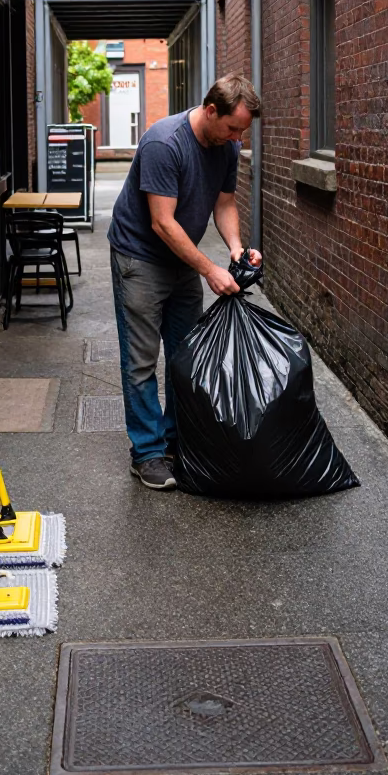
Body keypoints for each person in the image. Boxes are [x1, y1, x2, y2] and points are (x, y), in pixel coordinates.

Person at [107, 74, 262, 490]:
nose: (237, 138)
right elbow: (162, 223)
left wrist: (234, 249)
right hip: (139, 257)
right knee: (141, 360)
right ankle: (147, 453)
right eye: (232, 128)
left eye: (242, 131)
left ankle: (176, 441)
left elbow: (224, 202)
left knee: (185, 355)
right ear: (212, 110)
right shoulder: (164, 143)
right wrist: (209, 270)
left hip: (182, 258)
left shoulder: (226, 144)